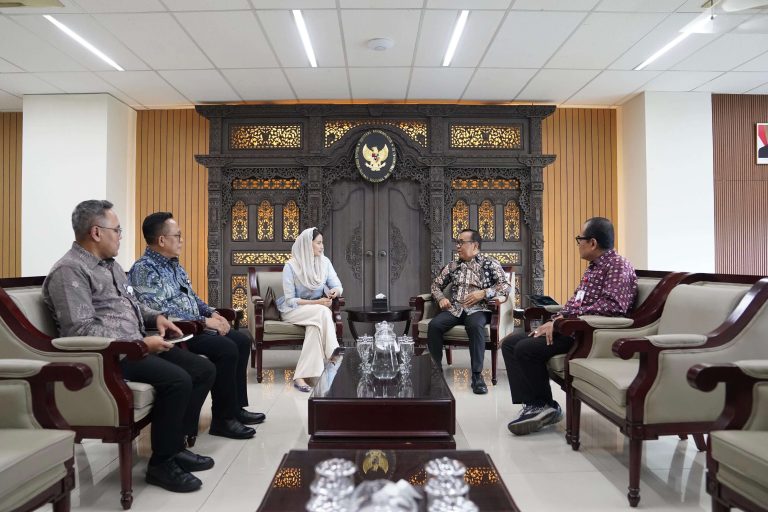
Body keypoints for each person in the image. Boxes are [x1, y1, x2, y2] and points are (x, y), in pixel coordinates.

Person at [43, 200, 216, 493]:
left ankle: (174, 446)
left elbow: (132, 304)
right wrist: (138, 343)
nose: (121, 236)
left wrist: (156, 317)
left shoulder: (110, 266)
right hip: (110, 358)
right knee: (178, 380)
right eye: (117, 230)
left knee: (203, 369)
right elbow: (80, 331)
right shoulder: (69, 271)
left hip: (136, 345)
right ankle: (161, 464)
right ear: (96, 232)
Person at [129, 212, 265, 442]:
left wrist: (212, 313)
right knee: (226, 348)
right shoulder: (144, 270)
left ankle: (235, 408)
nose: (181, 240)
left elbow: (193, 299)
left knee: (241, 340)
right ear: (161, 240)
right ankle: (222, 420)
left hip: (196, 325)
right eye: (178, 236)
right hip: (178, 331)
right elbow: (160, 310)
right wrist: (203, 322)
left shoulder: (175, 266)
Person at [502, 217, 637, 436]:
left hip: (587, 335)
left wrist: (560, 322)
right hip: (570, 327)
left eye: (579, 239)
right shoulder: (594, 267)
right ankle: (534, 404)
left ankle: (545, 406)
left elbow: (612, 307)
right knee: (510, 343)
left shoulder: (617, 266)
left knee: (526, 348)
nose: (578, 243)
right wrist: (554, 320)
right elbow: (575, 303)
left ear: (592, 242)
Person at [428, 228, 512, 395]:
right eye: (457, 242)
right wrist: (441, 298)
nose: (458, 246)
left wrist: (484, 293)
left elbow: (505, 286)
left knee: (474, 326)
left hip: (478, 309)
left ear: (475, 245)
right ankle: (436, 372)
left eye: (461, 242)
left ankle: (477, 376)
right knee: (434, 325)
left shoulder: (490, 263)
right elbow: (435, 285)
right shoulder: (453, 266)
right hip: (455, 309)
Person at [277, 227, 343, 392]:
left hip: (315, 313)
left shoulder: (324, 262)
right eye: (318, 243)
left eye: (322, 243)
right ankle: (334, 355)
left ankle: (300, 377)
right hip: (293, 310)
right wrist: (317, 303)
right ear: (308, 244)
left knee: (314, 328)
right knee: (323, 312)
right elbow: (291, 300)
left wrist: (335, 292)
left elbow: (337, 285)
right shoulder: (291, 266)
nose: (322, 246)